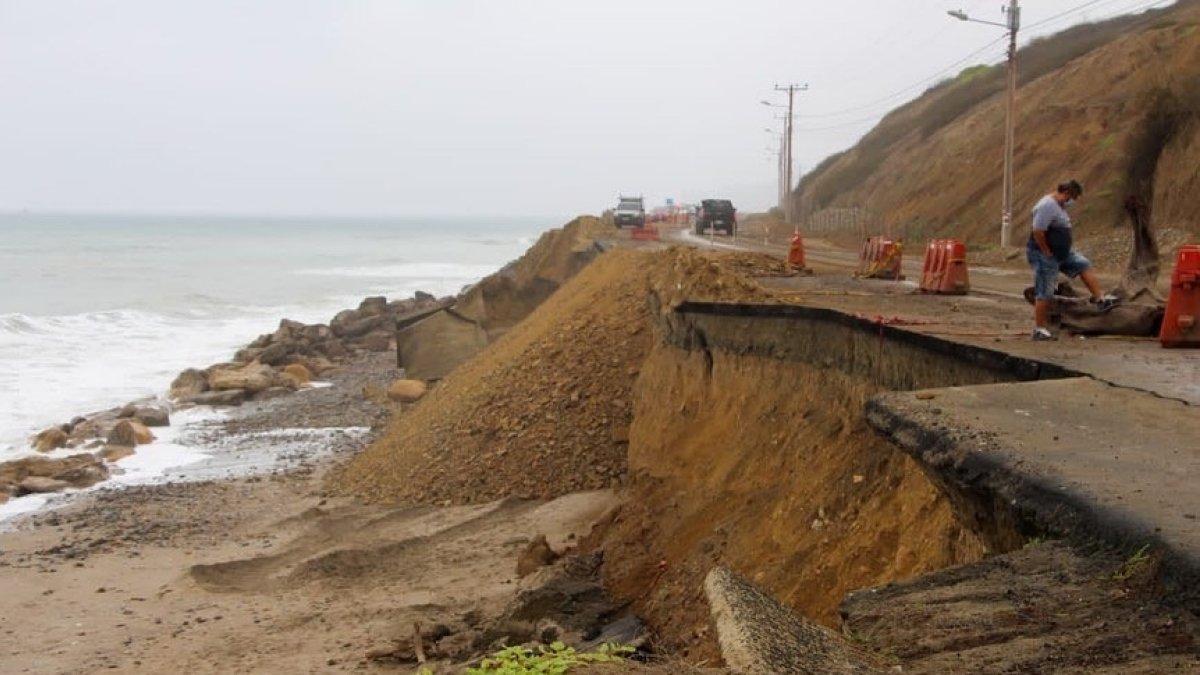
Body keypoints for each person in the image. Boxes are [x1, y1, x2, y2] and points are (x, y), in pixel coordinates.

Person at [1026, 180, 1116, 341]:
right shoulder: (1047, 205)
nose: (1071, 201)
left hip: (1062, 252)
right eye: (1071, 197)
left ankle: (1100, 299)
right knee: (1045, 291)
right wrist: (1046, 251)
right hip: (1044, 254)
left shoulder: (1060, 206)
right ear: (1066, 193)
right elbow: (1038, 231)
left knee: (1083, 264)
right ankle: (1039, 329)